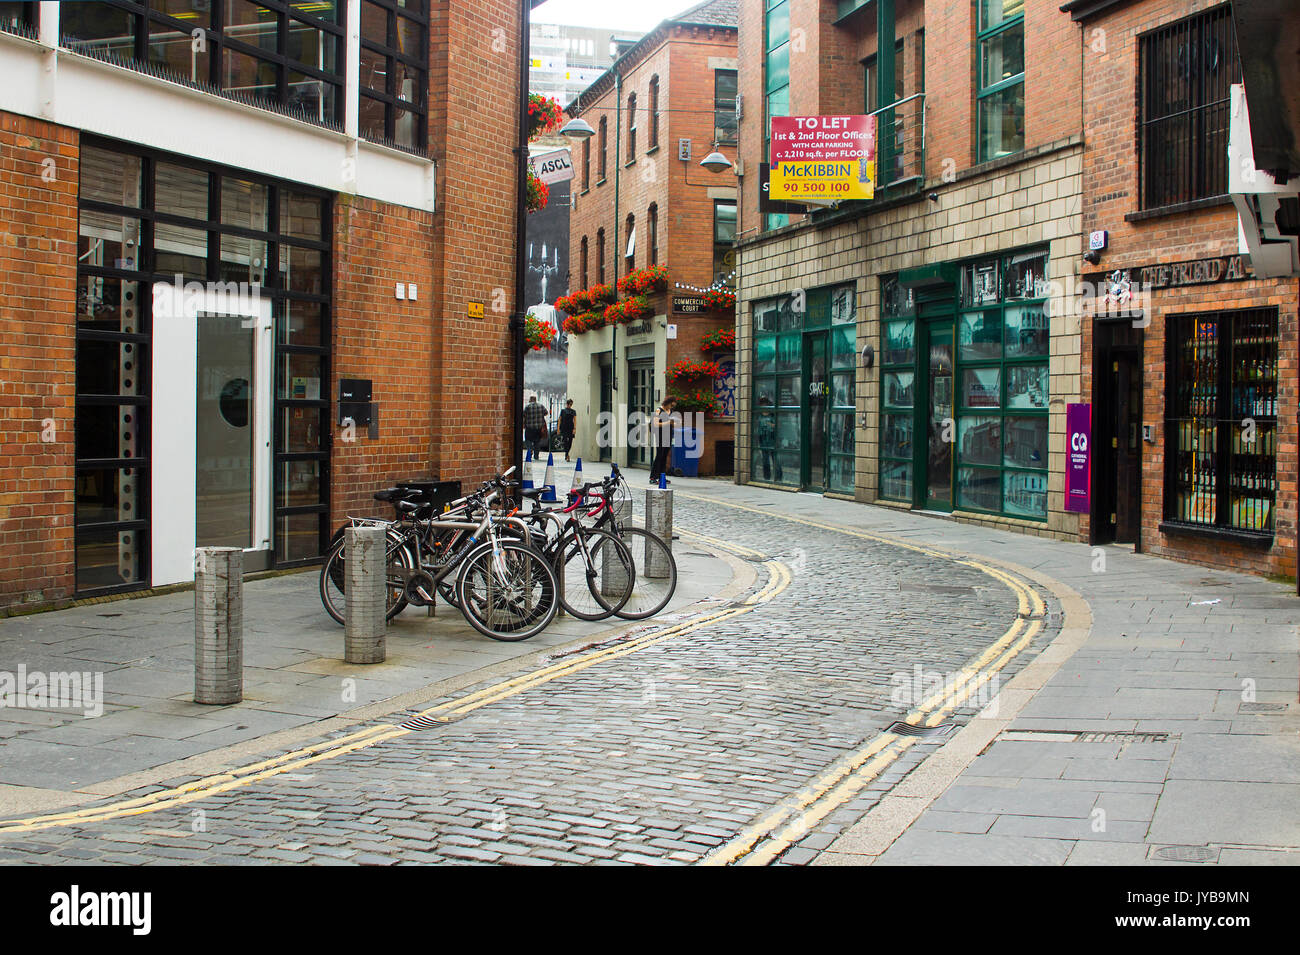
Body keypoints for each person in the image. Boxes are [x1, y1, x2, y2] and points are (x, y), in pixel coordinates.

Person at [649, 396, 678, 485]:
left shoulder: (670, 412)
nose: (671, 407)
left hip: (668, 435)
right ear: (667, 403)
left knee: (665, 456)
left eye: (673, 406)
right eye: (671, 405)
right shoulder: (659, 411)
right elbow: (656, 424)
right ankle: (653, 477)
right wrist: (668, 422)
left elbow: (671, 424)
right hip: (660, 436)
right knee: (659, 456)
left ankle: (662, 477)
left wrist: (674, 424)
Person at [756, 394, 783, 482]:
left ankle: (779, 478)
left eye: (765, 403)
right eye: (762, 403)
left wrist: (770, 425)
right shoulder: (759, 415)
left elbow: (777, 426)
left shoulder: (772, 415)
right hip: (763, 440)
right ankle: (766, 477)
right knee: (765, 461)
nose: (763, 405)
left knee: (776, 460)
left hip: (772, 440)